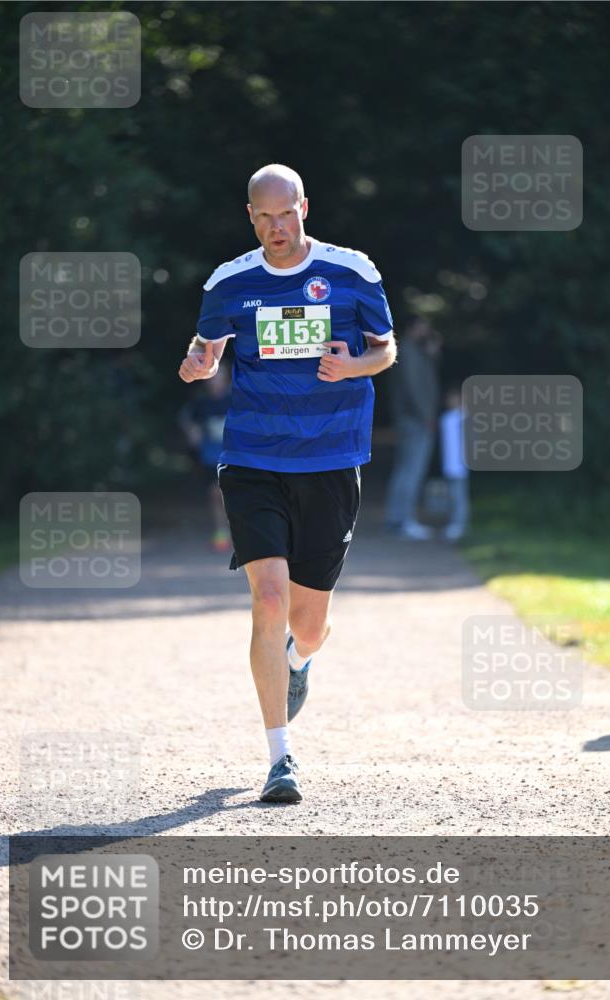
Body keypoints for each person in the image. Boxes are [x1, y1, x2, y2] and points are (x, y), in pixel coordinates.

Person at [178, 164, 396, 804]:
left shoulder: (353, 271)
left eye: (286, 214)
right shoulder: (230, 281)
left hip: (331, 458)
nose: (276, 228)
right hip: (253, 457)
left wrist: (352, 363)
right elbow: (207, 344)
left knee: (310, 623)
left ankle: (300, 661)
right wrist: (198, 361)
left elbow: (384, 349)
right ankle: (280, 759)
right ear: (251, 217)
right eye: (263, 217)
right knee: (268, 601)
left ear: (305, 207)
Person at [384, 316, 441, 539]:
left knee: (406, 469)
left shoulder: (414, 351)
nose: (426, 330)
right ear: (413, 328)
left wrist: (433, 354)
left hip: (414, 418)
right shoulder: (407, 351)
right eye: (423, 326)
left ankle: (398, 520)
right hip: (415, 420)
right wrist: (426, 416)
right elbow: (413, 387)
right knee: (411, 470)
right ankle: (402, 521)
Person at [178, 361, 232, 552]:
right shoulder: (201, 403)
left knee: (233, 493)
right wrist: (193, 432)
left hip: (235, 454)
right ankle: (221, 531)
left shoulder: (236, 399)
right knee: (216, 493)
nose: (215, 380)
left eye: (219, 376)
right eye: (212, 376)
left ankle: (239, 529)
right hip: (211, 456)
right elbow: (187, 418)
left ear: (226, 378)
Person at [439, 387, 470, 541]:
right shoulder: (446, 418)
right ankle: (452, 523)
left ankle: (459, 525)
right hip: (448, 465)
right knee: (451, 497)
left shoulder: (464, 418)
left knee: (459, 497)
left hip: (460, 466)